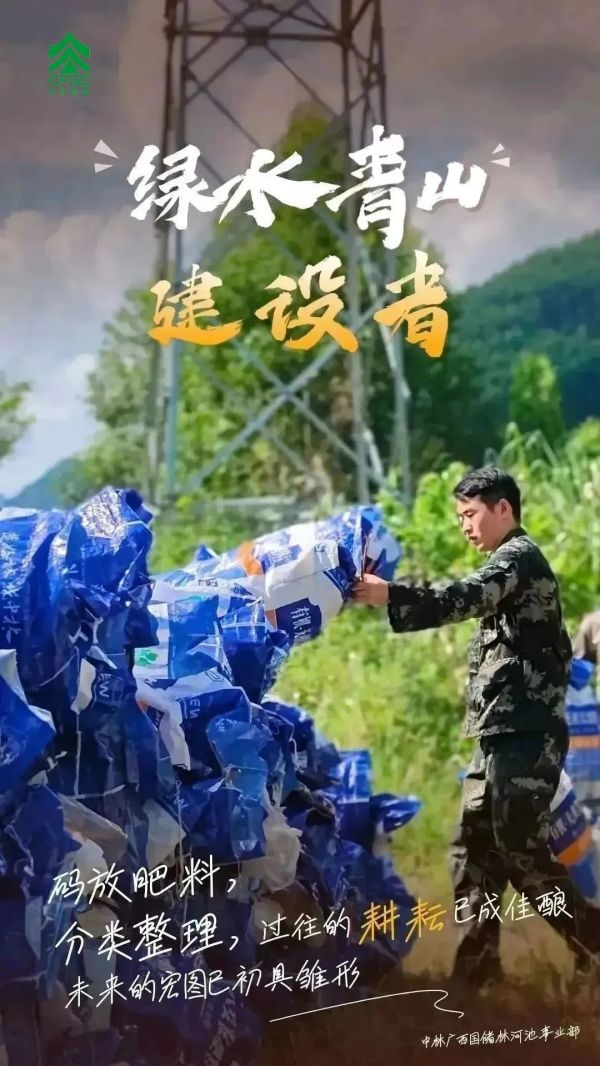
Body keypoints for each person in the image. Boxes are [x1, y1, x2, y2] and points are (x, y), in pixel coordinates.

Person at [352, 466, 600, 988]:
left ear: (503, 509)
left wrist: (391, 594)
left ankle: (594, 944)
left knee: (519, 848)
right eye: (460, 516)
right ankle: (477, 975)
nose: (465, 526)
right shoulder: (506, 564)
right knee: (473, 850)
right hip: (498, 737)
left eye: (471, 514)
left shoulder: (517, 558)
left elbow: (464, 596)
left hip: (525, 735)